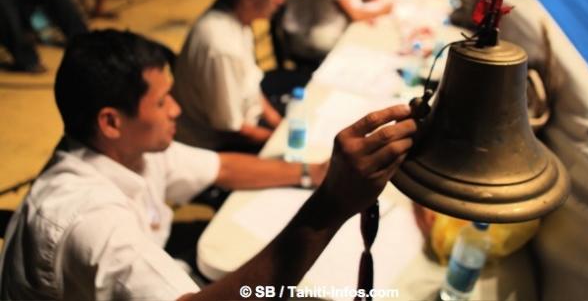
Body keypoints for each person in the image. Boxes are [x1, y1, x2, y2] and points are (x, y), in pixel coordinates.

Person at [0, 29, 418, 300]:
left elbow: (222, 167)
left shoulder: (127, 149)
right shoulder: (88, 219)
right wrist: (331, 204)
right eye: (161, 101)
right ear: (111, 122)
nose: (176, 109)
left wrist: (312, 172)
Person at [173, 0, 285, 152]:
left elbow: (251, 88)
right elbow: (231, 129)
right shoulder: (221, 46)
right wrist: (282, 139)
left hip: (244, 124)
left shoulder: (238, 20)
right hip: (219, 147)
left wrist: (279, 123)